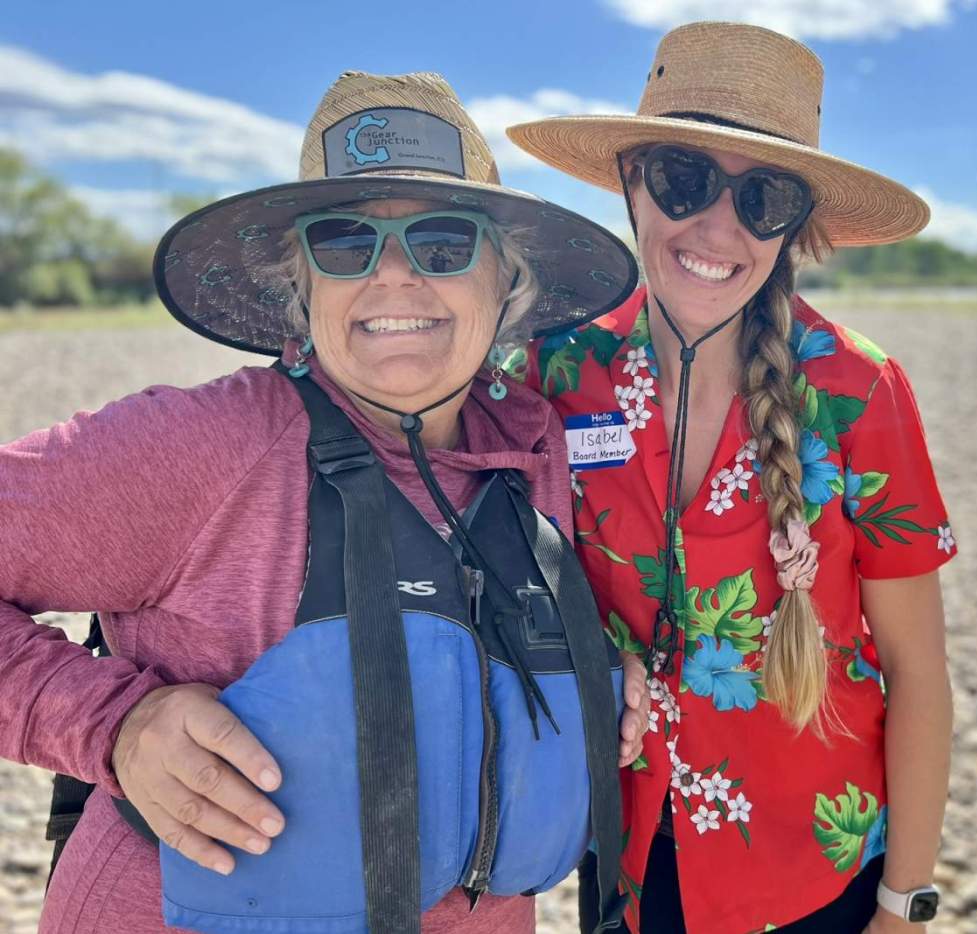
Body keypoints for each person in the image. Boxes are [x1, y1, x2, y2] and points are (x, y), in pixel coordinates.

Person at [1, 70, 645, 934]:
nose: (394, 278)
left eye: (444, 242)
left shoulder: (533, 449)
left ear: (508, 286)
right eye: (345, 244)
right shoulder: (208, 445)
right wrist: (111, 723)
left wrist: (591, 677)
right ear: (302, 289)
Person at [509, 21, 958, 934]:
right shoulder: (555, 372)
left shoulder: (859, 391)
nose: (718, 228)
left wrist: (905, 906)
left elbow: (918, 672)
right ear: (631, 181)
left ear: (793, 224)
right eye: (682, 180)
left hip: (814, 875)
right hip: (623, 851)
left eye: (763, 197)